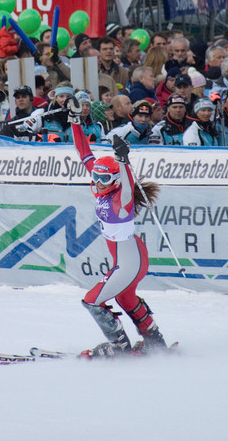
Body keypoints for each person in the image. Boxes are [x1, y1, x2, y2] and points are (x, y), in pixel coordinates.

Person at [68, 97, 168, 357]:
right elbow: (84, 153)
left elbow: (126, 182)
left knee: (92, 300)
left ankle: (120, 347)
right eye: (95, 176)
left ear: (114, 180)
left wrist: (123, 160)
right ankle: (156, 343)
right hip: (129, 255)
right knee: (125, 299)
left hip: (129, 262)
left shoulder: (121, 200)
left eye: (104, 178)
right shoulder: (103, 184)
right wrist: (75, 121)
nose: (98, 182)